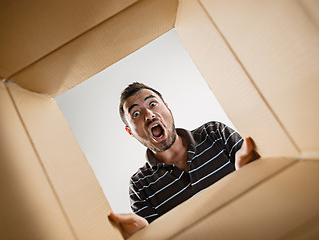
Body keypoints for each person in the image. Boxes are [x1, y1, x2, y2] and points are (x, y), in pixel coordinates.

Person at [109, 82, 259, 239]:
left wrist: (251, 171)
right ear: (130, 131)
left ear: (168, 108)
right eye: (136, 114)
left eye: (152, 104)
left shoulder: (215, 133)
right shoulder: (140, 186)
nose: (149, 115)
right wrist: (145, 237)